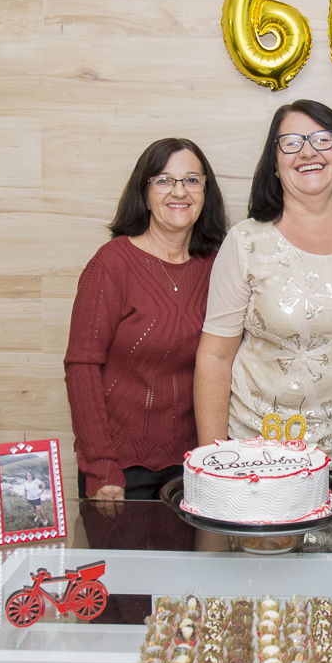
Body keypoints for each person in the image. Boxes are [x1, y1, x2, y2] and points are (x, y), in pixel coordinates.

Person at [195, 100, 332, 503]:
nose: (308, 151)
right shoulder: (246, 241)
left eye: (322, 139)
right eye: (291, 143)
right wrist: (213, 460)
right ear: (274, 164)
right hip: (258, 462)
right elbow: (215, 357)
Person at [65, 137, 229, 517]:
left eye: (192, 180)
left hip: (197, 466)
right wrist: (102, 466)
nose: (179, 191)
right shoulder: (112, 264)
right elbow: (82, 368)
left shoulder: (219, 266)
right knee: (127, 577)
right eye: (163, 180)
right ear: (144, 191)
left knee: (196, 577)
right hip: (121, 472)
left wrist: (219, 459)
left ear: (206, 191)